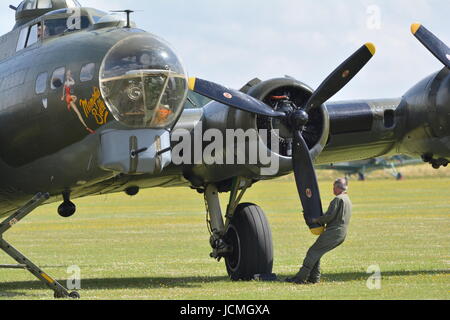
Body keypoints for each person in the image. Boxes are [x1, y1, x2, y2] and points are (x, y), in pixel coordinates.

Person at [286, 178, 352, 284]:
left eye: (334, 187)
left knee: (312, 252)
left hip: (334, 232)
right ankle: (313, 278)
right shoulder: (347, 199)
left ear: (338, 187)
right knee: (317, 253)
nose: (333, 189)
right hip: (340, 233)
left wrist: (315, 220)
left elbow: (329, 217)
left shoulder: (338, 199)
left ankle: (300, 278)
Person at [61, 70, 95, 134]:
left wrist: (63, 96)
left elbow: (64, 89)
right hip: (69, 97)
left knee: (78, 111)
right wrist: (70, 77)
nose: (69, 76)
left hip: (68, 97)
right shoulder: (68, 82)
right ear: (67, 76)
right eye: (68, 75)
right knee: (78, 111)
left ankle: (86, 126)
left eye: (69, 74)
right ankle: (86, 127)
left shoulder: (66, 82)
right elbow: (73, 83)